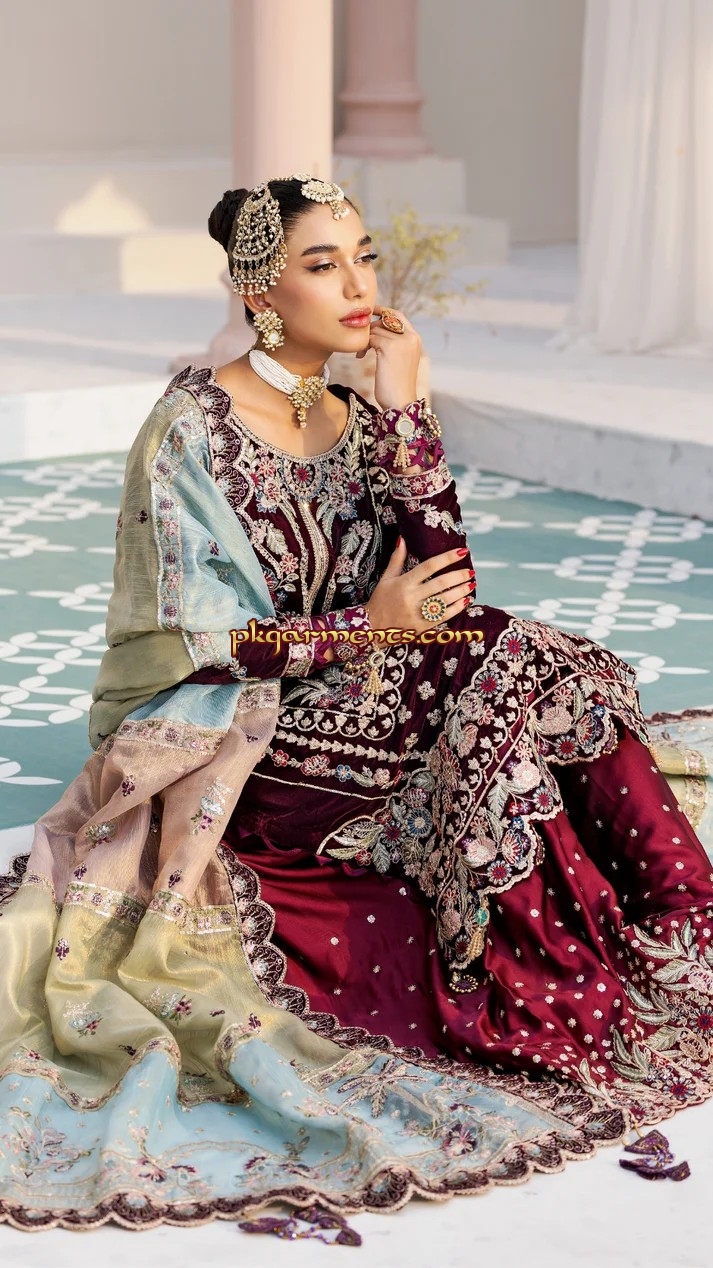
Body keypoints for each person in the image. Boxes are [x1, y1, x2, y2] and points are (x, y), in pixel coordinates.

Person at [0, 175, 711, 1234]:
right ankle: (591, 956)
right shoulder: (189, 427)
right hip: (241, 735)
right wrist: (363, 629)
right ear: (259, 289)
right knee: (502, 661)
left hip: (366, 694)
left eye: (364, 257)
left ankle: (676, 915)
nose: (357, 284)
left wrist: (408, 405)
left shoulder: (363, 416)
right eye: (322, 264)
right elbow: (195, 641)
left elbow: (447, 590)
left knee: (518, 656)